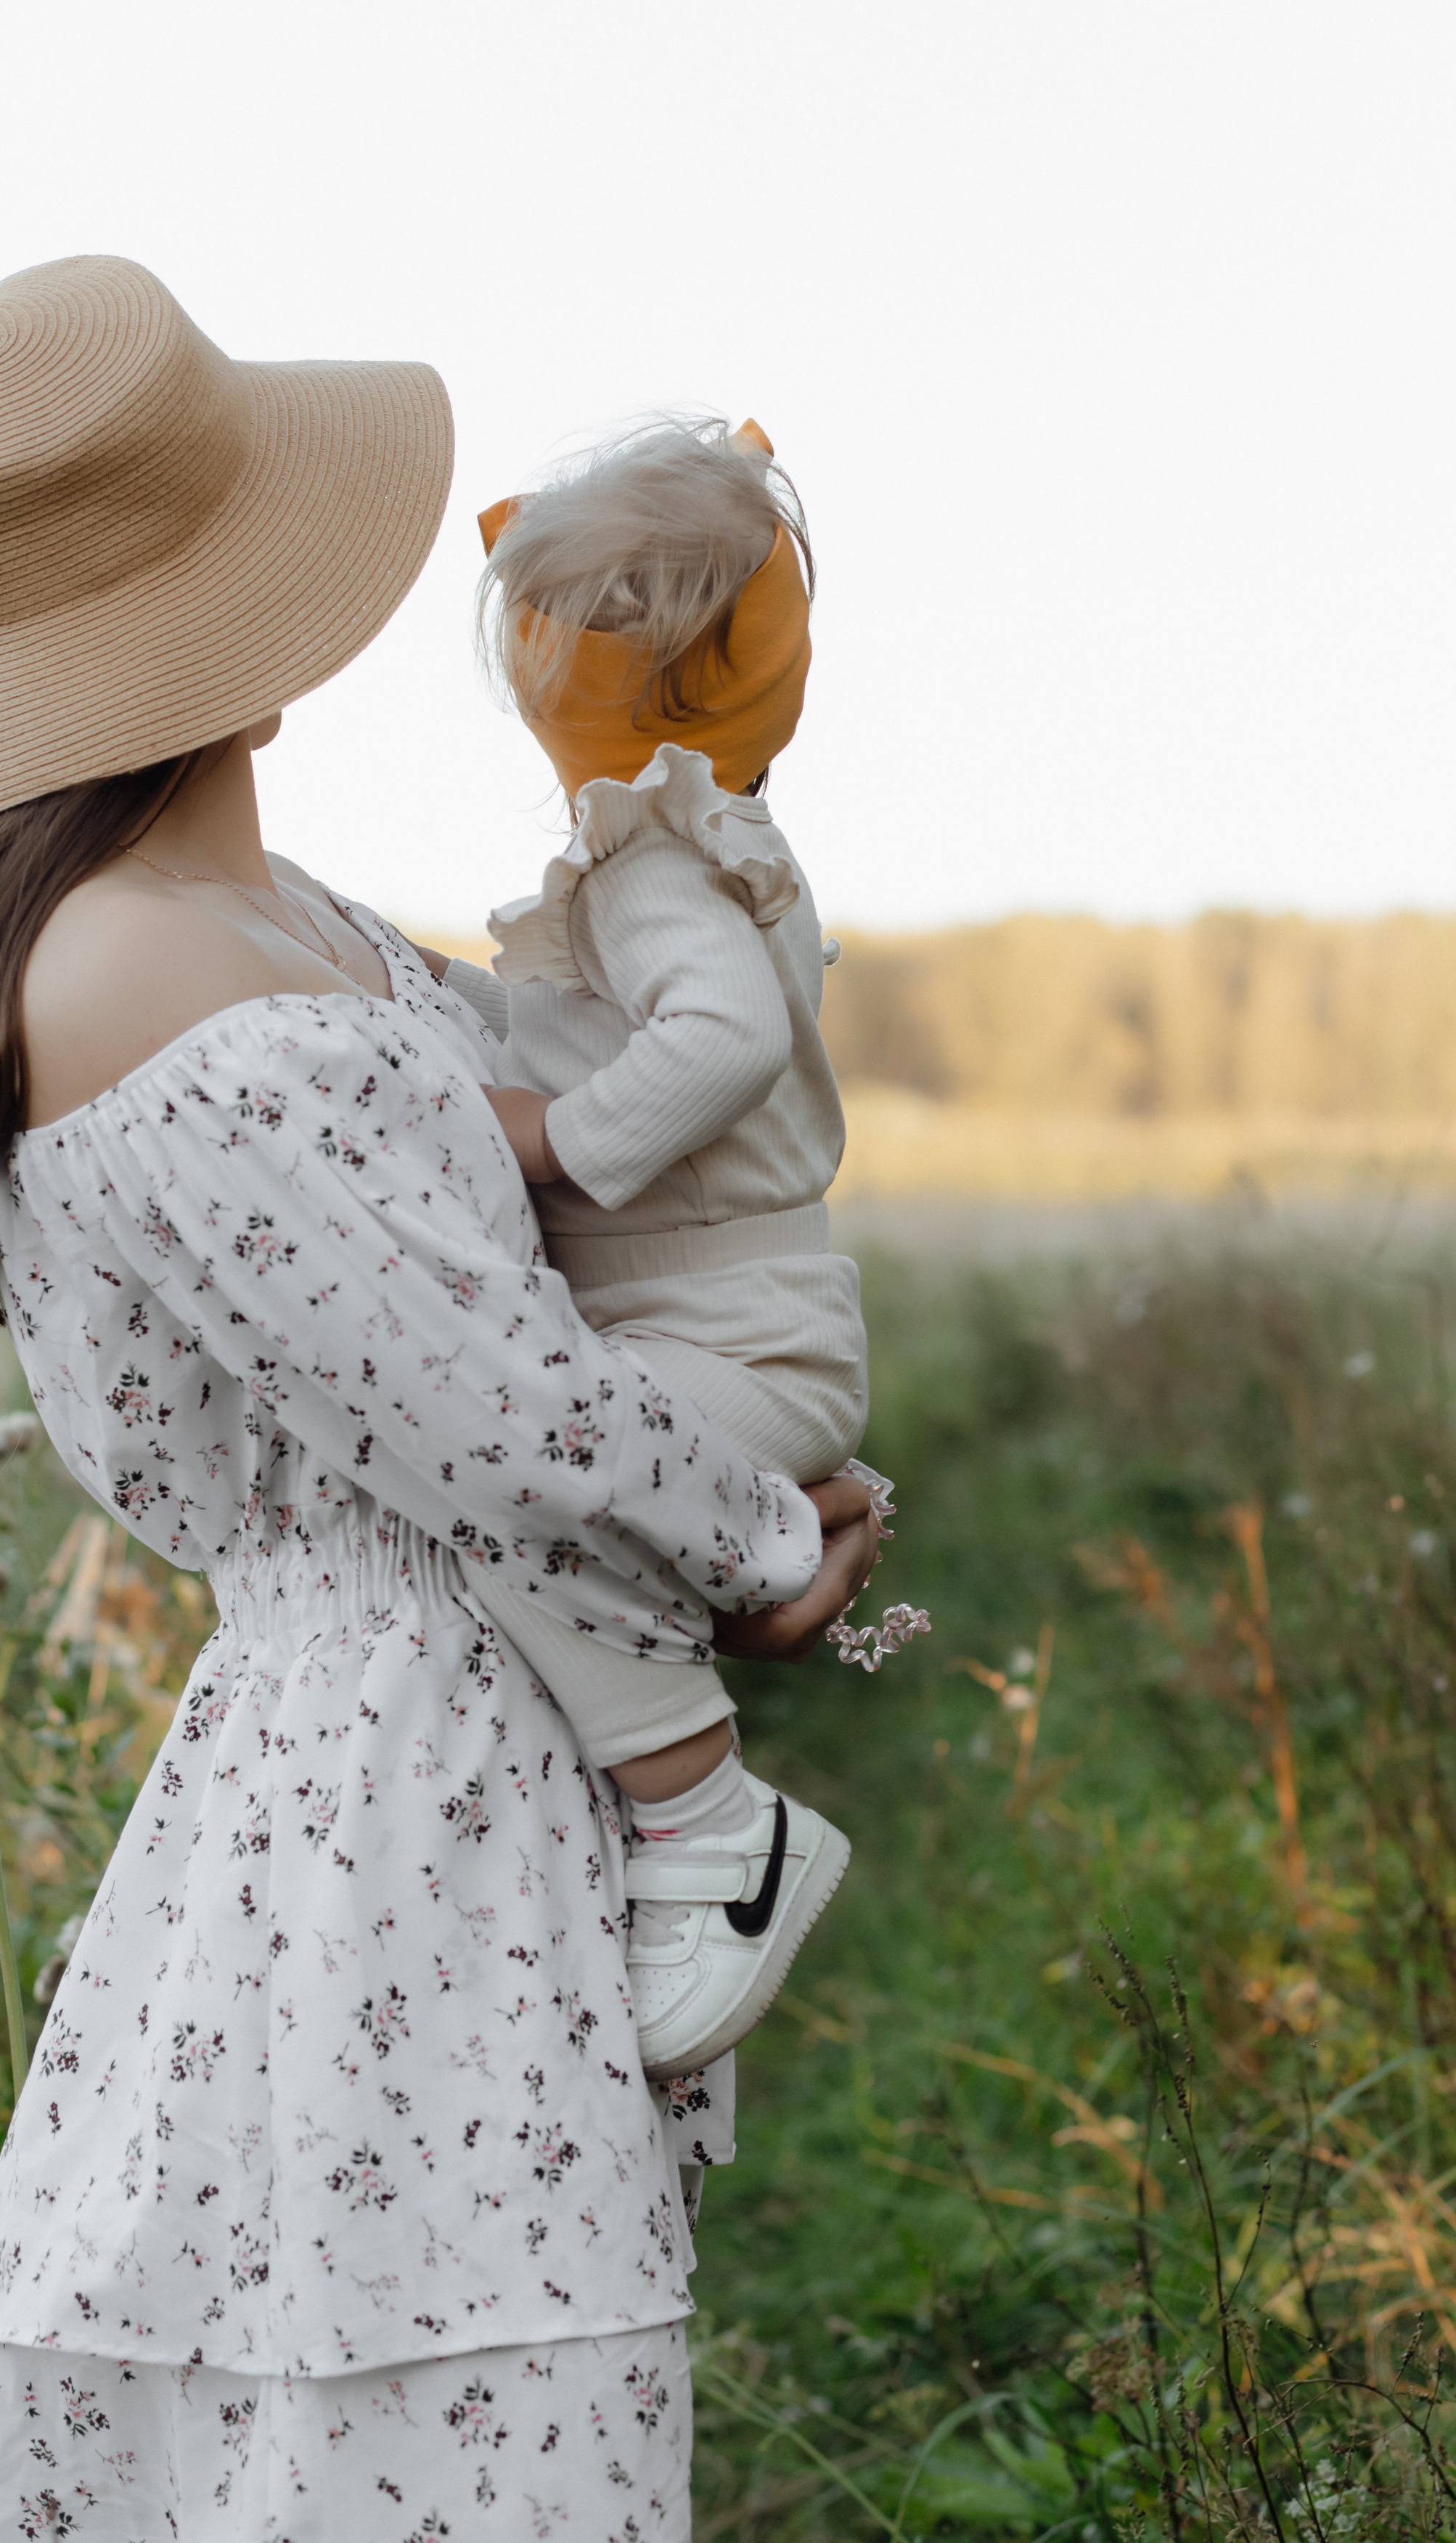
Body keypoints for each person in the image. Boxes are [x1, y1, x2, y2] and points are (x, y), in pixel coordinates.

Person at [0, 255, 881, 2539]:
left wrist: (690, 855)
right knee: (415, 2397)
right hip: (396, 1771)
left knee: (401, 2395)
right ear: (241, 629)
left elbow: (541, 1114)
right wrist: (764, 1545)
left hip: (423, 1736)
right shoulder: (167, 988)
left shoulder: (248, 918)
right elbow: (487, 1414)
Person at [420, 416, 870, 2083]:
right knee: (541, 1478)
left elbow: (719, 1044)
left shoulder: (651, 870)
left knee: (519, 1484)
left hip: (732, 1339)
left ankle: (708, 1829)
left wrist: (550, 1152)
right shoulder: (709, 842)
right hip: (740, 1328)